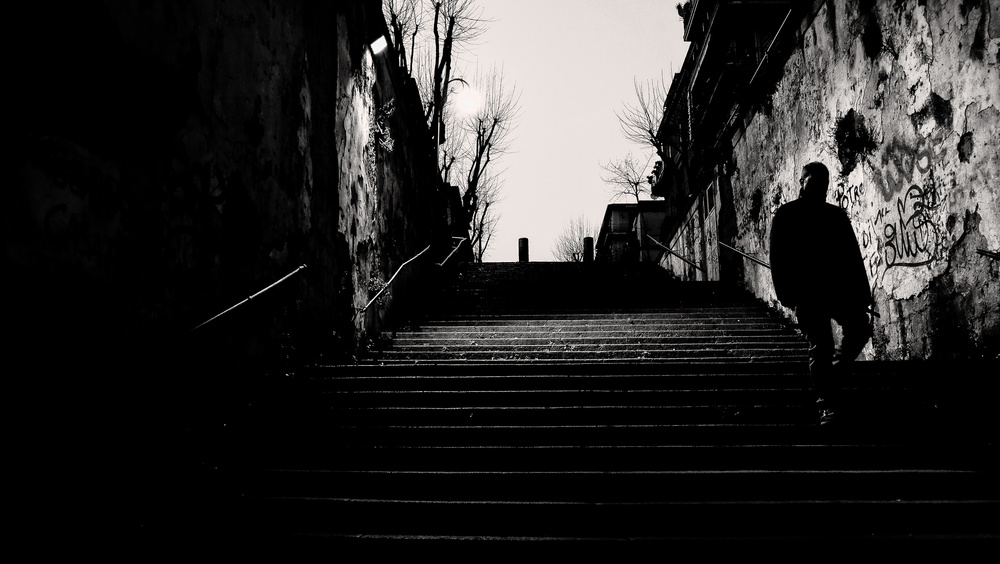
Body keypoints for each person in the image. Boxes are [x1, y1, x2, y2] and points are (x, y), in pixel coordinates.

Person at [769, 161, 874, 425]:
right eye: (814, 181)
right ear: (802, 182)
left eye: (823, 183)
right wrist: (787, 295)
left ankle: (831, 380)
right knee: (821, 345)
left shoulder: (835, 215)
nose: (820, 187)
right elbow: (778, 258)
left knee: (859, 329)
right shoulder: (787, 214)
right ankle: (826, 402)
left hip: (837, 291)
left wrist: (862, 295)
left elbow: (852, 257)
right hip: (807, 294)